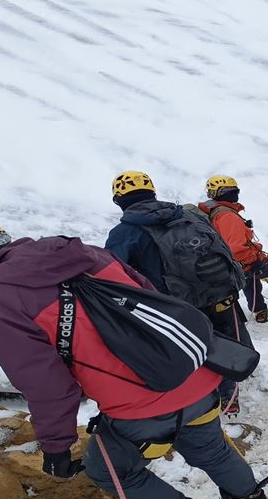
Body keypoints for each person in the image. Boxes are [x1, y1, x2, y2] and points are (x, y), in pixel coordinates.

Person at [0, 202, 268, 499]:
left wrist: (56, 447)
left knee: (112, 471)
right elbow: (152, 298)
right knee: (211, 447)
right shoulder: (80, 252)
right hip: (195, 376)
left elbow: (45, 383)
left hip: (137, 408)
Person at [104, 170, 252, 416]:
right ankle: (230, 401)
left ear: (119, 200)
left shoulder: (124, 233)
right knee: (226, 346)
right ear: (152, 192)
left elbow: (113, 274)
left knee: (190, 352)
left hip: (177, 307)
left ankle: (199, 403)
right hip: (217, 294)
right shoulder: (188, 215)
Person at [198, 175, 268, 329]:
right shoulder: (228, 216)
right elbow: (236, 247)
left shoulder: (214, 212)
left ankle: (260, 312)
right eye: (229, 190)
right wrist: (254, 260)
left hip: (235, 264)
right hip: (246, 261)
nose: (233, 193)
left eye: (234, 189)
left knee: (250, 282)